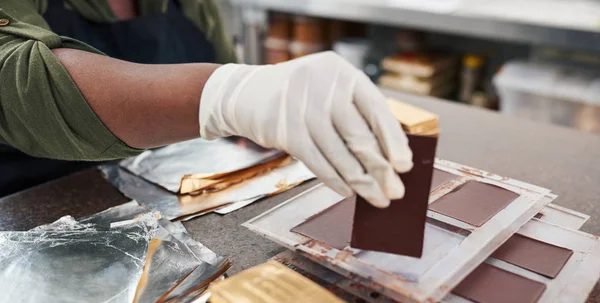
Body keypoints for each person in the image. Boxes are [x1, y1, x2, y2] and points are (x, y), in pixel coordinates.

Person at [0, 0, 413, 208]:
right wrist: (226, 94)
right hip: (34, 219)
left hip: (171, 204)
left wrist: (273, 104)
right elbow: (20, 82)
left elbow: (219, 60)